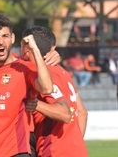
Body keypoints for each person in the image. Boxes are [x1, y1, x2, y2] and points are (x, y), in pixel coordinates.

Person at [0, 14, 53, 157]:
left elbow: (47, 88)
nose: (1, 42)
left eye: (5, 36)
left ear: (13, 38)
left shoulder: (23, 69)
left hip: (15, 151)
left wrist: (35, 50)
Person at [23, 26, 88, 157]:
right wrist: (73, 145)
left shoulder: (44, 74)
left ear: (27, 46)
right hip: (77, 151)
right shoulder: (62, 71)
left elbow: (64, 114)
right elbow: (82, 113)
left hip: (55, 149)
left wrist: (36, 105)